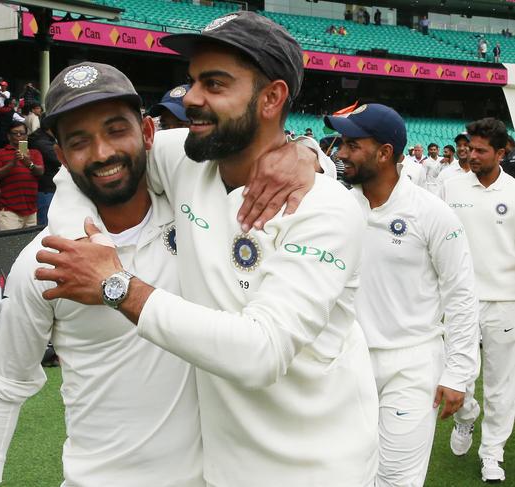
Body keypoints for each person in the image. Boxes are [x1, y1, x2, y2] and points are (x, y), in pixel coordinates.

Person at [38, 12, 379, 486]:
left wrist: (116, 286)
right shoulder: (187, 158)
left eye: (215, 84)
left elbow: (262, 352)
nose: (191, 98)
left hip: (316, 467)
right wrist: (81, 238)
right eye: (193, 80)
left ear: (272, 97)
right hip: (220, 468)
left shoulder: (326, 210)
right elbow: (85, 166)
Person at [0, 64, 204, 487]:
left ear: (148, 132)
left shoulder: (197, 217)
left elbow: (260, 156)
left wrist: (308, 153)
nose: (101, 153)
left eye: (116, 130)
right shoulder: (44, 260)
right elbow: (3, 382)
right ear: (61, 154)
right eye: (79, 141)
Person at [325, 103, 479, 487]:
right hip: (347, 362)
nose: (341, 153)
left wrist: (458, 372)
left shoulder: (432, 213)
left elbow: (460, 294)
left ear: (385, 152)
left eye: (352, 144)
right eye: (341, 143)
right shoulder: (338, 208)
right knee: (345, 474)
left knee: (396, 480)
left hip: (411, 365)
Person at [442, 118, 515, 484]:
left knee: (501, 383)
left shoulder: (514, 192)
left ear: (502, 152)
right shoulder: (450, 186)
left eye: (480, 150)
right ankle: (466, 416)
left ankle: (493, 454)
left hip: (504, 301)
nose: (470, 155)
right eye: (469, 148)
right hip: (458, 300)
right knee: (460, 377)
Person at [0, 121, 44, 230]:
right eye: (15, 133)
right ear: (8, 136)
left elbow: (40, 172)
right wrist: (12, 163)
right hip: (9, 211)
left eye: (22, 133)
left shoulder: (34, 153)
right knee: (11, 245)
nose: (19, 136)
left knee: (29, 245)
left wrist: (28, 163)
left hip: (31, 210)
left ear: (26, 136)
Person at [28, 126, 60, 225]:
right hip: (45, 188)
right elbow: (58, 158)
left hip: (49, 186)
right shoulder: (41, 142)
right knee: (46, 224)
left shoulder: (47, 139)